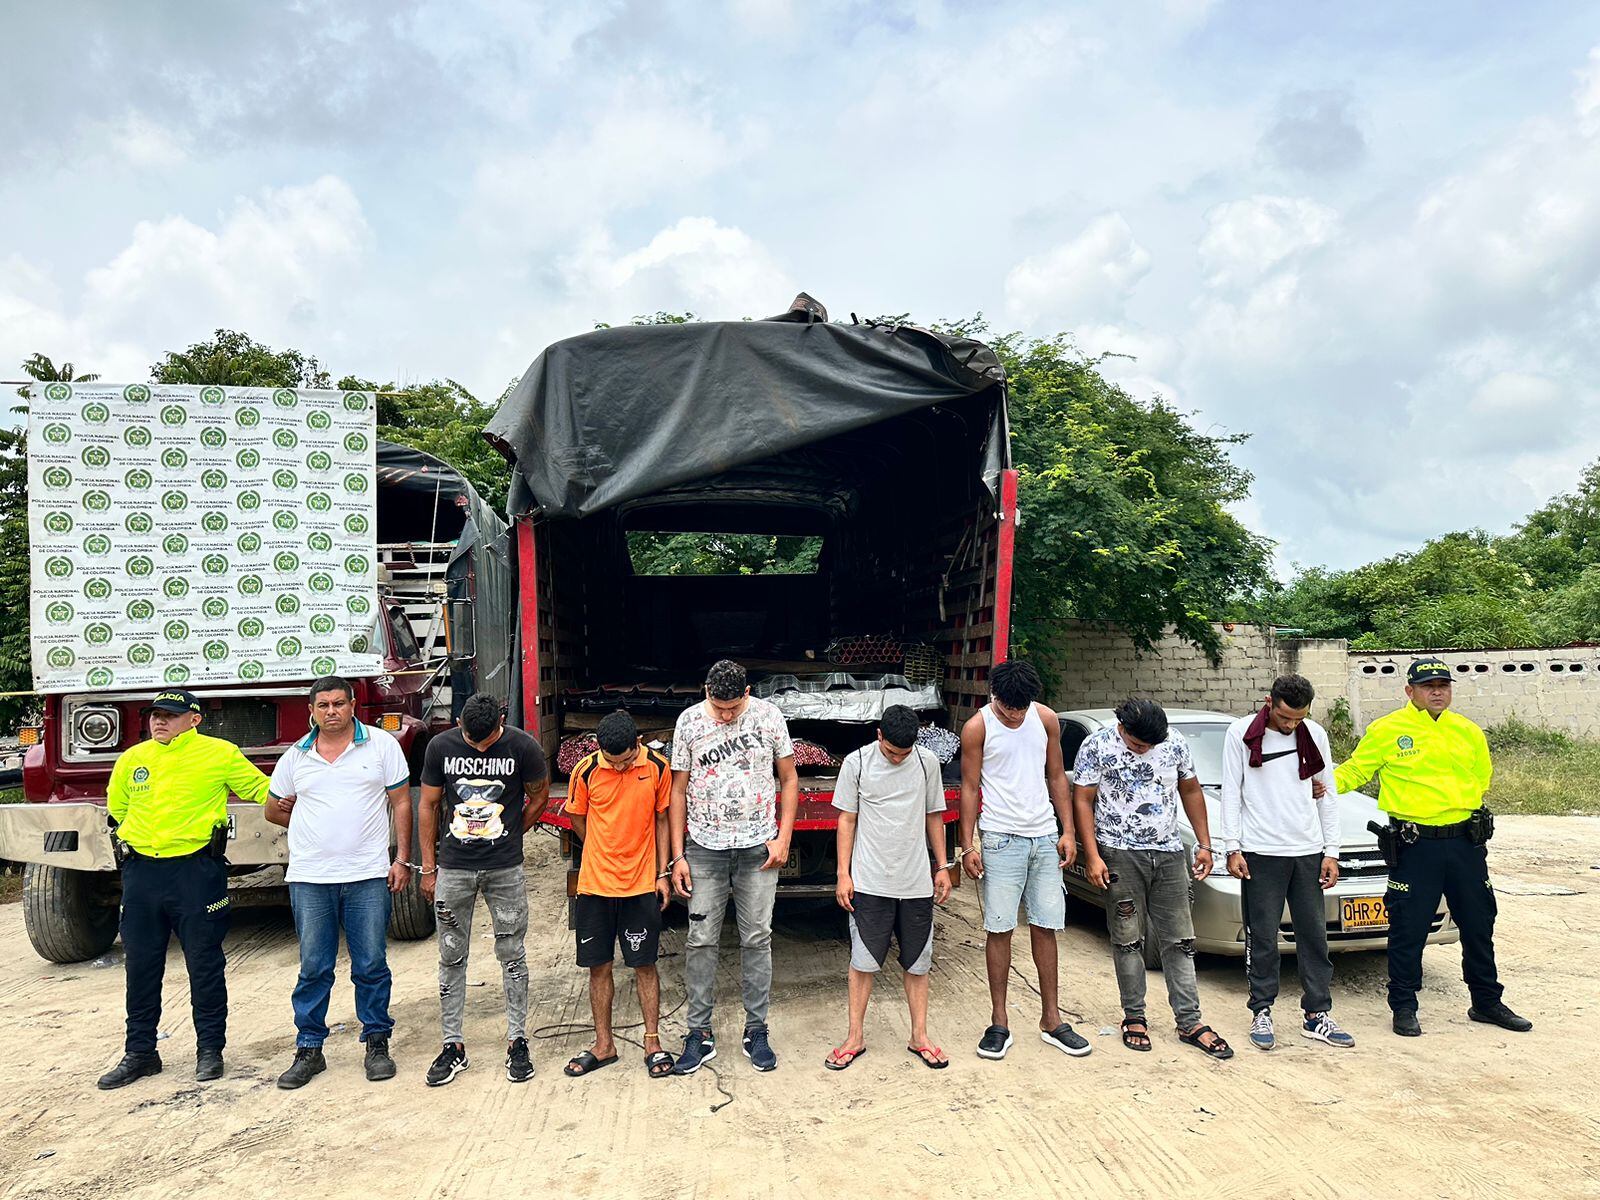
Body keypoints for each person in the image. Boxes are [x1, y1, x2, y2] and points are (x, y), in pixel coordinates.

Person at [1335, 658, 1531, 1038]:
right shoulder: (1388, 730)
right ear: (1410, 691)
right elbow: (1356, 771)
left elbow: (1481, 777)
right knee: (1408, 928)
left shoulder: (1468, 730)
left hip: (1465, 844)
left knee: (1478, 924)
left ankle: (1486, 1001)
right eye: (1428, 686)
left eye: (1443, 684)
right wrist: (1317, 783)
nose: (1438, 691)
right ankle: (1404, 1006)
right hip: (1415, 845)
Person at [96, 689, 272, 1090]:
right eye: (155, 715)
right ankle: (140, 1053)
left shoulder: (219, 754)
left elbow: (264, 792)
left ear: (194, 720)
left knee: (204, 964)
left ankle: (210, 1050)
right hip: (142, 873)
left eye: (170, 715)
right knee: (140, 965)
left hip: (196, 873)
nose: (159, 721)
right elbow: (117, 809)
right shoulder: (133, 759)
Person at [265, 676, 414, 1089]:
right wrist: (311, 825)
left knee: (370, 964)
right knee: (314, 967)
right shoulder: (296, 756)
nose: (331, 711)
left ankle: (377, 1043)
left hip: (366, 874)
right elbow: (272, 811)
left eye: (338, 703)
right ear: (311, 711)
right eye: (323, 705)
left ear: (352, 706)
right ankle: (310, 1049)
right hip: (310, 878)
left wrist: (401, 859)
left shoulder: (381, 746)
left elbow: (401, 801)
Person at [1073, 698, 1233, 1060]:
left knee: (1180, 939)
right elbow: (1082, 799)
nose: (1144, 750)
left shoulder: (1174, 742)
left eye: (1149, 746)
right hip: (1118, 853)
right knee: (1128, 938)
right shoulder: (1096, 746)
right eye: (1137, 744)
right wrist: (1094, 855)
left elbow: (1190, 790)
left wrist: (1204, 845)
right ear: (1123, 728)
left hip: (1170, 852)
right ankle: (1134, 1017)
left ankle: (1190, 1022)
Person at [668, 659, 799, 1075]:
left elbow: (790, 779)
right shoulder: (688, 722)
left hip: (757, 848)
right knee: (701, 939)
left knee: (757, 938)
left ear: (747, 694)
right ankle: (698, 1032)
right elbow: (677, 790)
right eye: (717, 707)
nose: (725, 716)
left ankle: (756, 1029)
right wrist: (678, 855)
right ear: (706, 690)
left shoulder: (769, 716)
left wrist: (784, 838)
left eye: (733, 708)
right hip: (704, 847)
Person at [958, 660, 1091, 1061]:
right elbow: (968, 787)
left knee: (1046, 927)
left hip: (1044, 836)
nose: (1015, 714)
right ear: (993, 695)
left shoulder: (1045, 718)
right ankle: (999, 1021)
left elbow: (1056, 777)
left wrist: (1067, 831)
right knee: (999, 929)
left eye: (1021, 707)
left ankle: (1052, 1019)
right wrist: (968, 845)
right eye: (1008, 707)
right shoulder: (977, 727)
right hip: (1000, 838)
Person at [418, 692, 550, 1086]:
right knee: (451, 956)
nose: (477, 747)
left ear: (500, 723)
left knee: (512, 954)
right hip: (454, 869)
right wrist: (429, 868)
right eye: (471, 741)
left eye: (486, 742)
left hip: (504, 869)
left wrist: (513, 834)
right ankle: (453, 1045)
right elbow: (428, 805)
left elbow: (539, 794)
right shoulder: (440, 746)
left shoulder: (523, 746)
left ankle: (517, 1041)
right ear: (459, 722)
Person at [1221, 674, 1354, 1051]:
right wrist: (1233, 847)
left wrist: (1332, 851)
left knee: (1314, 936)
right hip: (1261, 851)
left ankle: (1317, 1015)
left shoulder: (1313, 734)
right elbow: (1232, 792)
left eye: (1298, 718)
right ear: (1269, 701)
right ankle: (1261, 1010)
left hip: (1308, 850)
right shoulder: (1241, 733)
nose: (1291, 725)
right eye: (1284, 717)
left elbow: (1326, 792)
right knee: (1262, 936)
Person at [827, 705, 952, 1071]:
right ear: (878, 735)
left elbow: (934, 815)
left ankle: (919, 1036)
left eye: (905, 753)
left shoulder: (927, 762)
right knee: (862, 962)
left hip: (915, 882)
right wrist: (843, 874)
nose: (898, 759)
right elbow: (846, 819)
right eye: (892, 752)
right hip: (870, 880)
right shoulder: (858, 763)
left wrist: (942, 867)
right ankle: (854, 1037)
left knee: (918, 963)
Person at [563, 711, 674, 1080]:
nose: (619, 766)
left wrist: (662, 872)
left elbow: (662, 818)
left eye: (625, 760)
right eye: (613, 761)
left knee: (645, 964)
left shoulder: (658, 767)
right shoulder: (586, 770)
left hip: (641, 885)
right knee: (599, 966)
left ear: (637, 746)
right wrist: (600, 847)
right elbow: (577, 816)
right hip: (595, 885)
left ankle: (653, 1042)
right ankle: (603, 1045)